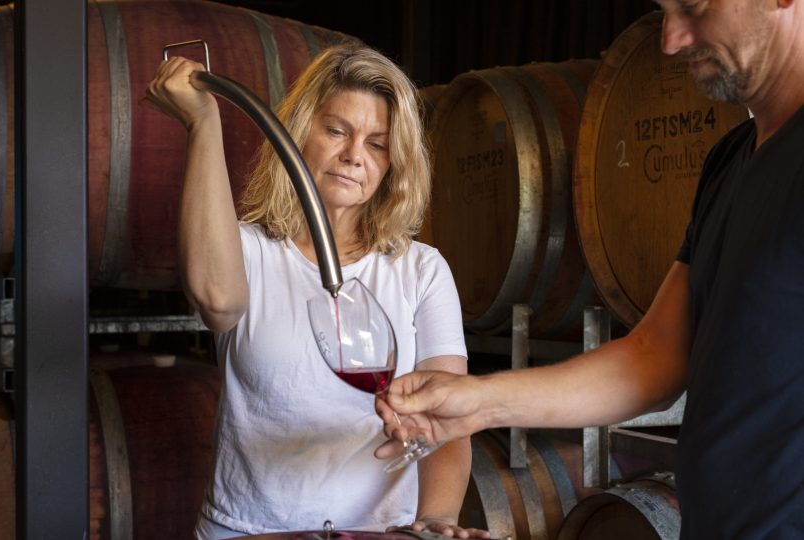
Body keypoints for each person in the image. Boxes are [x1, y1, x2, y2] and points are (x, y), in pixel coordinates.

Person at [375, 1, 804, 538]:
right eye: (665, 11)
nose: (670, 40)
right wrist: (477, 405)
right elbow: (653, 358)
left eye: (693, 7)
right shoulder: (729, 162)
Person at [144, 43, 488, 539]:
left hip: (375, 532)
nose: (353, 156)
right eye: (337, 130)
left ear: (395, 161)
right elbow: (217, 303)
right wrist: (202, 123)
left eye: (377, 143)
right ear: (301, 131)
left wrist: (433, 523)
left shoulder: (421, 270)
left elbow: (448, 420)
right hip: (249, 530)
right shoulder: (248, 251)